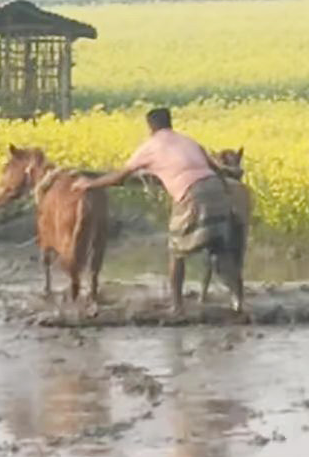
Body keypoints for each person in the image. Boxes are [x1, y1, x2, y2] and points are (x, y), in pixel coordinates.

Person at [74, 107, 243, 314]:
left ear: (150, 128)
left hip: (191, 194)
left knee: (176, 252)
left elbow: (119, 177)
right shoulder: (189, 141)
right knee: (221, 251)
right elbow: (216, 169)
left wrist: (89, 184)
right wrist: (232, 173)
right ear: (170, 123)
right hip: (217, 191)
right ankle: (238, 302)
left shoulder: (150, 147)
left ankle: (177, 305)